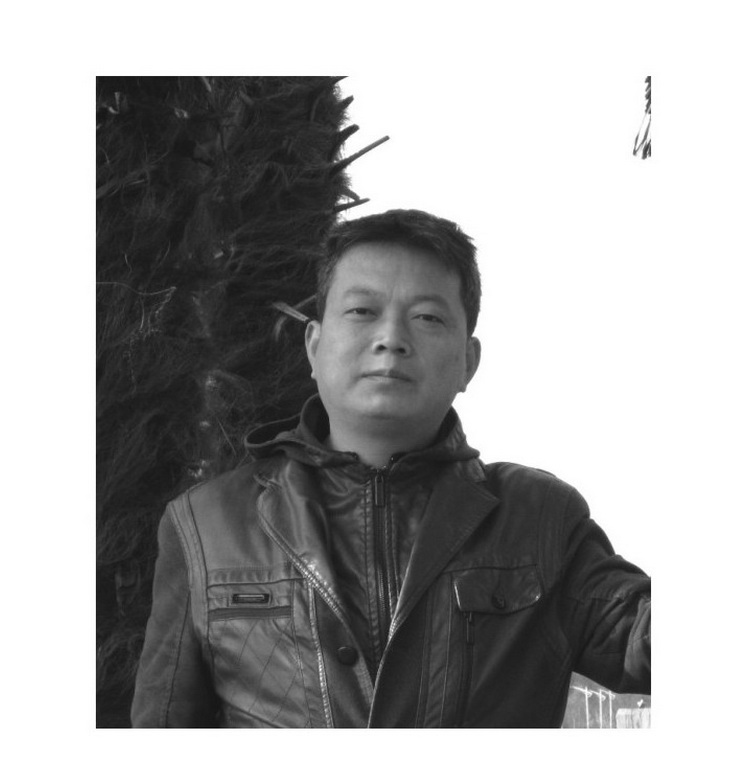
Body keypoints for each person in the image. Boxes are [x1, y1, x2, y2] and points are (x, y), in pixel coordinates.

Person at [131, 208, 651, 728]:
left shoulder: (540, 519)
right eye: (362, 310)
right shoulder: (206, 524)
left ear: (468, 362)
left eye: (427, 318)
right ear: (314, 346)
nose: (391, 338)